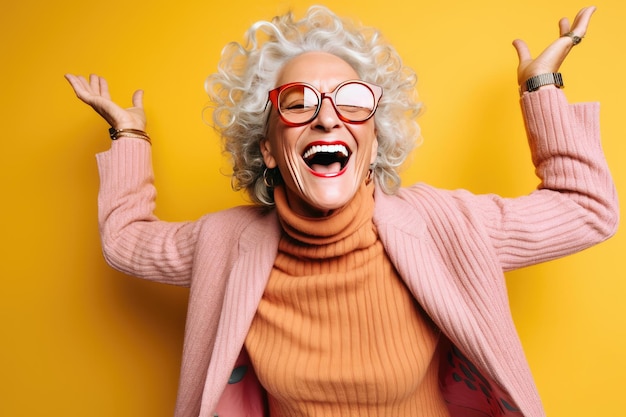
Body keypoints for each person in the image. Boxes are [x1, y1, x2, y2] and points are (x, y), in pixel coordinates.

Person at [65, 5, 618, 417]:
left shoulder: (444, 226)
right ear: (267, 148)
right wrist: (129, 133)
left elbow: (585, 208)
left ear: (374, 141)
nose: (327, 118)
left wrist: (540, 85)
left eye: (350, 101)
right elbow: (125, 241)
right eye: (299, 102)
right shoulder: (224, 242)